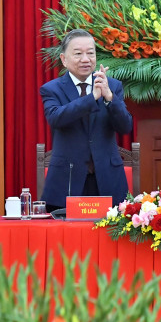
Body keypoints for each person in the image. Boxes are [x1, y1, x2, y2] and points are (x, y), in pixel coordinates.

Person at [40, 29, 133, 210]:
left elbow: (125, 126)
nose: (85, 59)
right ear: (63, 59)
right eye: (78, 54)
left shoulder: (112, 86)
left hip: (107, 180)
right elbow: (56, 118)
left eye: (90, 53)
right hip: (67, 180)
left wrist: (109, 97)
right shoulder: (51, 89)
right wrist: (92, 98)